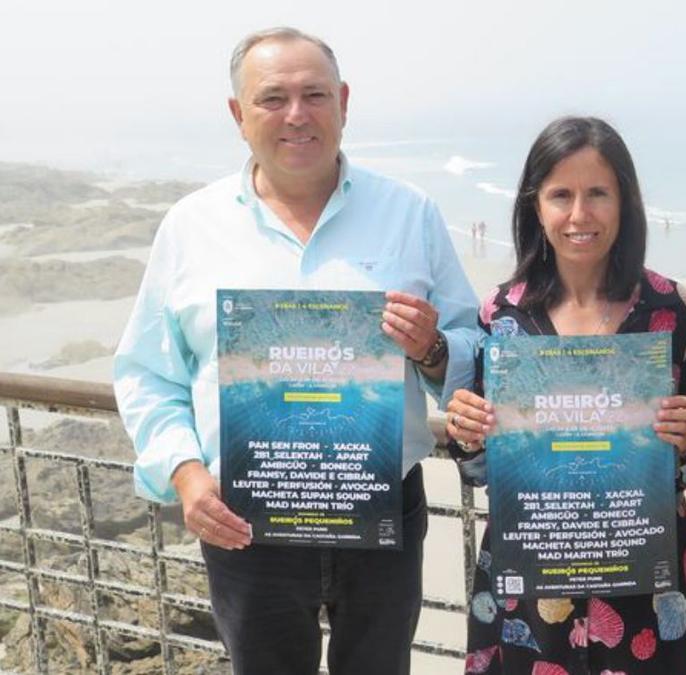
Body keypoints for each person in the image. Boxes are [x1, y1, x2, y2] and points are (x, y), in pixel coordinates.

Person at [113, 27, 479, 674]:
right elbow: (148, 374)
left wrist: (434, 349)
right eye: (272, 98)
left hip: (383, 514)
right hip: (244, 522)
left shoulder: (410, 213)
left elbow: (473, 346)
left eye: (314, 94)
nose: (297, 115)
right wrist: (184, 473)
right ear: (238, 114)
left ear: (343, 101)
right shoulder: (191, 227)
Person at [444, 117, 686, 673]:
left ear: (625, 202)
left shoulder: (674, 311)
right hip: (531, 584)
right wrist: (465, 431)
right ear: (534, 205)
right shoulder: (501, 315)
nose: (579, 215)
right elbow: (481, 466)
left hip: (646, 584)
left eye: (598, 194)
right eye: (561, 195)